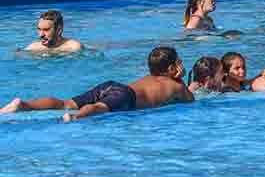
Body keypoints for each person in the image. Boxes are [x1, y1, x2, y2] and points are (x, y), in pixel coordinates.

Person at [1, 46, 193, 121]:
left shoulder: (150, 78)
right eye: (178, 62)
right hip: (126, 96)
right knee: (99, 108)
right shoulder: (177, 86)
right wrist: (182, 80)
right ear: (170, 69)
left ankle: (23, 105)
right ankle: (75, 118)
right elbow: (191, 102)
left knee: (65, 103)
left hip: (112, 85)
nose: (181, 65)